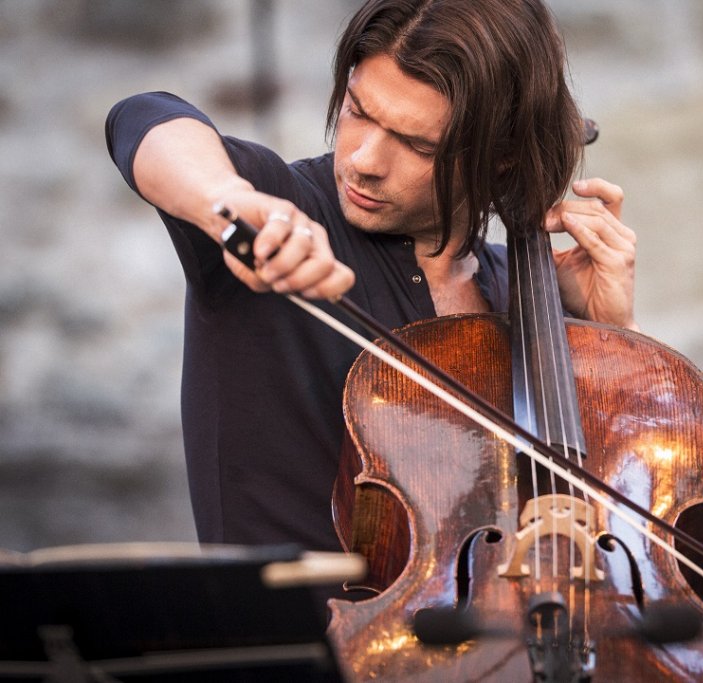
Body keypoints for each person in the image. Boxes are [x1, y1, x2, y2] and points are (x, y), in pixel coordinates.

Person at [105, 0, 637, 556]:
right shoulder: (283, 213)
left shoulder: (520, 297)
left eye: (417, 144)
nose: (363, 158)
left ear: (500, 157)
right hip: (295, 636)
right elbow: (142, 118)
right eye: (358, 110)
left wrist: (618, 342)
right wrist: (230, 200)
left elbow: (621, 533)